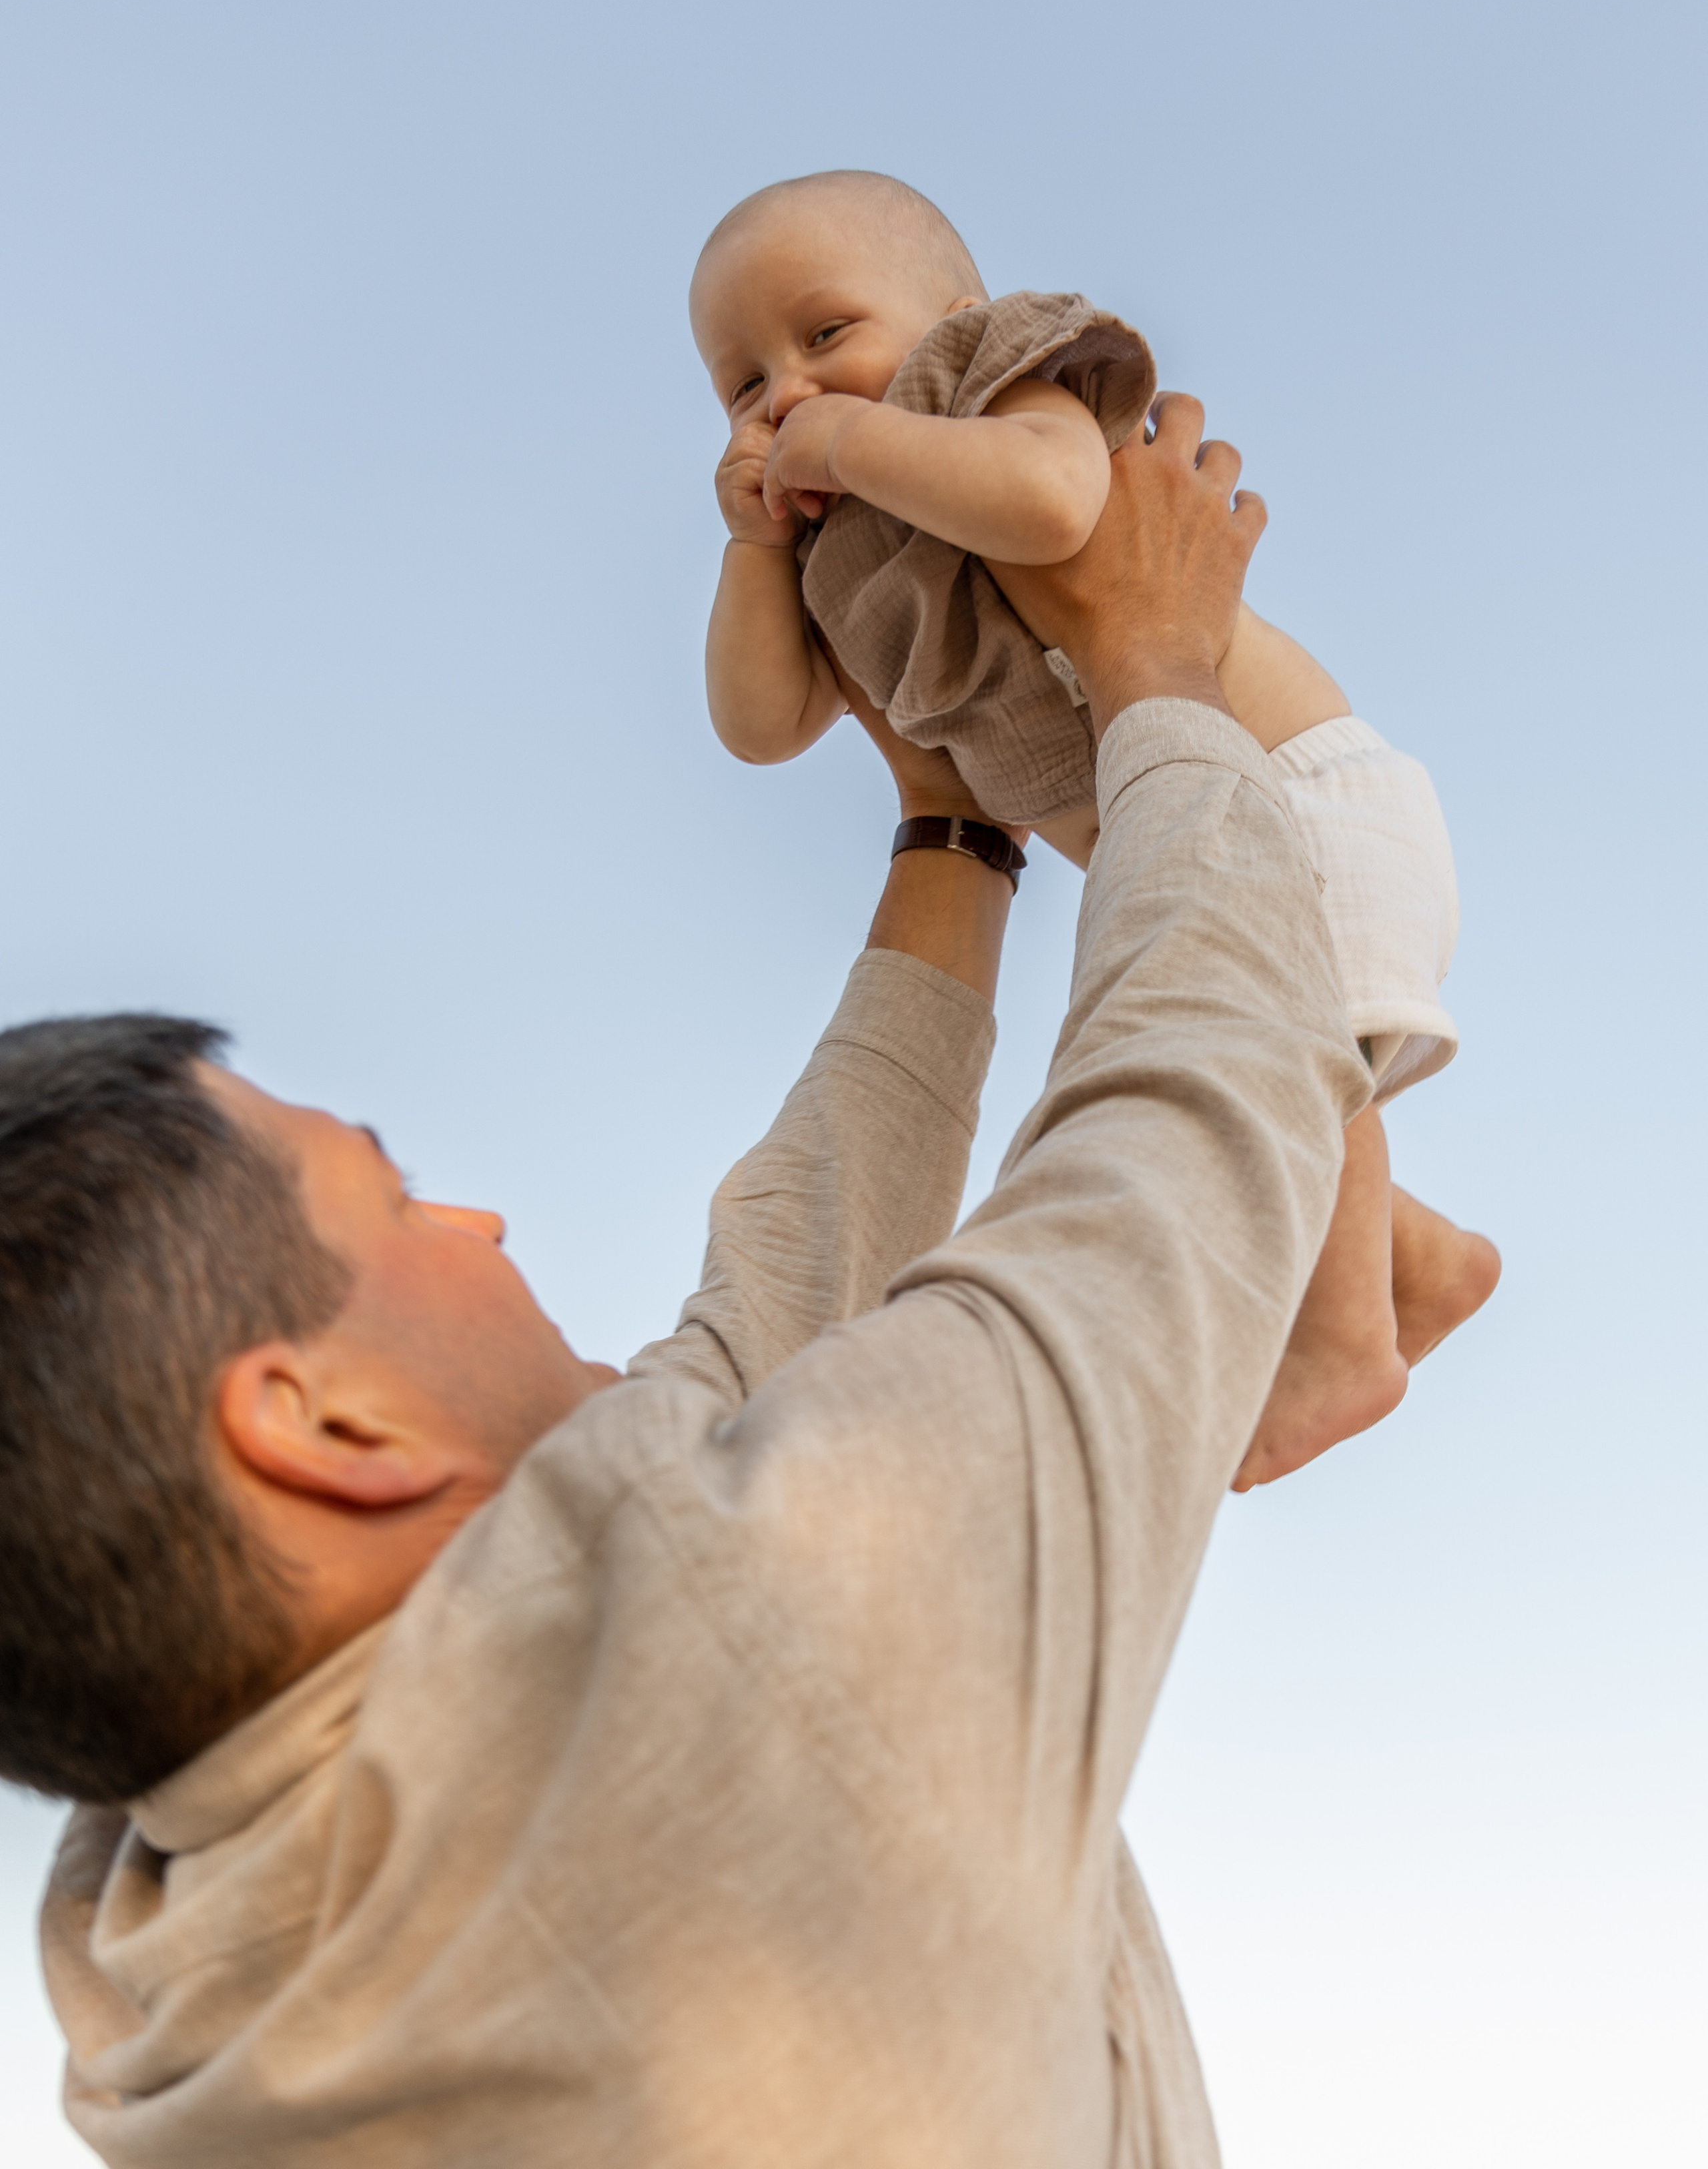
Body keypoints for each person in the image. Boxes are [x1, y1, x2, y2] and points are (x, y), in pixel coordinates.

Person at [25, 402, 1350, 2164]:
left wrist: (949, 831)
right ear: (323, 1421)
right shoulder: (763, 1665)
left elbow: (765, 1314)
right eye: (393, 1195)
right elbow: (1189, 1142)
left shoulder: (159, 1930)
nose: (477, 1225)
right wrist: (1161, 674)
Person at [695, 169, 1499, 1488]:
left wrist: (843, 440)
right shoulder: (825, 543)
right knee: (1245, 1074)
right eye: (741, 384)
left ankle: (1338, 1341)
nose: (785, 390)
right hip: (1194, 858)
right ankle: (1411, 1257)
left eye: (824, 335)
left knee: (1262, 1041)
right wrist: (747, 548)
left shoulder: (983, 374)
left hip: (1291, 801)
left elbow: (1056, 506)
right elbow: (761, 722)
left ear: (944, 310)